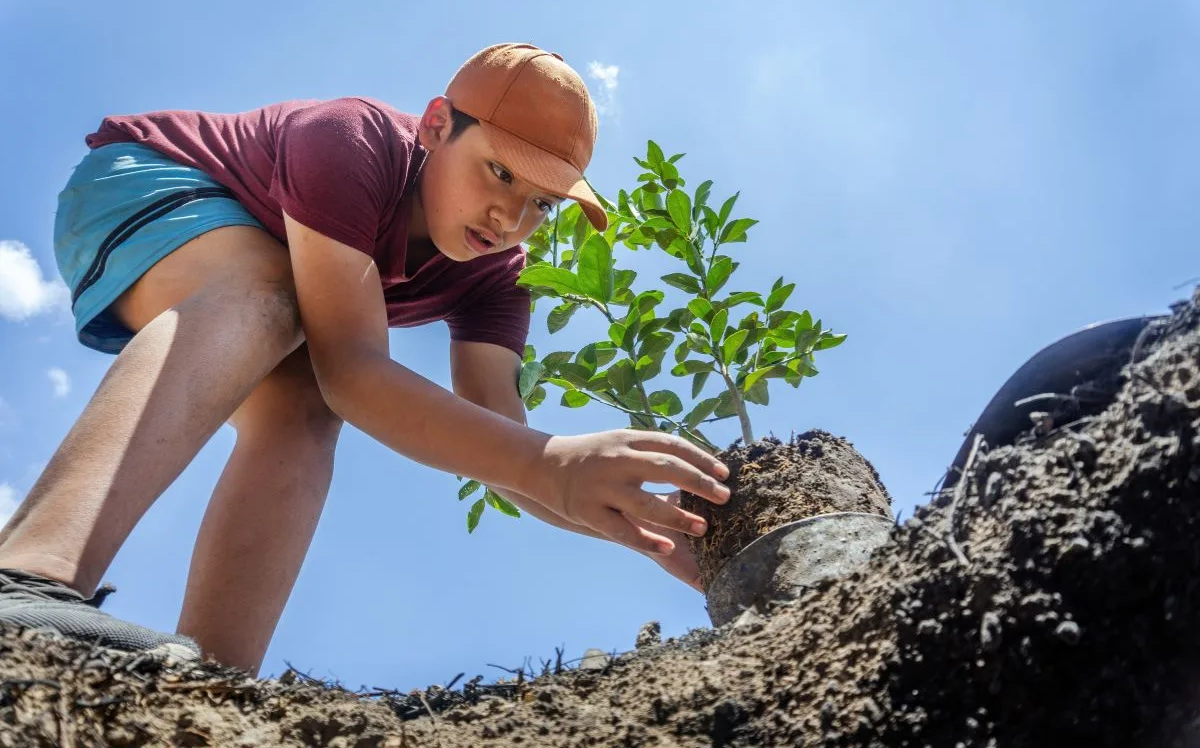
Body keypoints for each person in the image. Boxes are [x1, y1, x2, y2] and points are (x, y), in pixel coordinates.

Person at [0, 43, 730, 673]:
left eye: (543, 204)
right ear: (436, 125)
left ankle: (211, 675)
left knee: (305, 403)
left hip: (257, 274)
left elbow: (506, 447)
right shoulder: (347, 140)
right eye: (499, 173)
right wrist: (549, 464)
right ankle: (30, 575)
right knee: (279, 304)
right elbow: (356, 371)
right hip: (146, 184)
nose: (512, 219)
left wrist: (653, 529)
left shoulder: (499, 280)